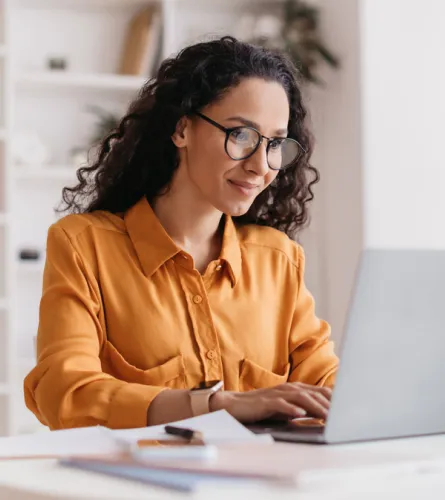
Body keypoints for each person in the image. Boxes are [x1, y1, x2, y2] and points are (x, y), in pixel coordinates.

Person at [24, 36, 338, 431]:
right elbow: (65, 393)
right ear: (182, 129)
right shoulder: (84, 245)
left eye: (275, 143)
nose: (262, 165)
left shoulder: (278, 258)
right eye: (241, 134)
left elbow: (327, 387)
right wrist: (216, 405)